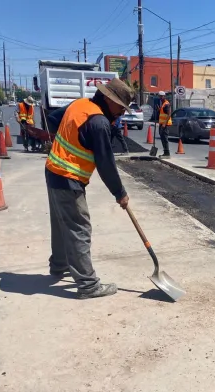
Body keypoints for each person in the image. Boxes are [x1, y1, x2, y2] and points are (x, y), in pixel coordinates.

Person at [44, 78, 133, 299]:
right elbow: (106, 164)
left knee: (60, 222)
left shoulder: (80, 104)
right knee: (79, 228)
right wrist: (119, 193)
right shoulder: (99, 122)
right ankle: (88, 285)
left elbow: (53, 119)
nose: (122, 112)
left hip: (53, 170)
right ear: (107, 99)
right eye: (120, 106)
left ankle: (59, 265)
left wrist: (67, 140)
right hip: (68, 178)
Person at [157, 90, 172, 158]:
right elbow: (163, 113)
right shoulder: (163, 104)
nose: (160, 97)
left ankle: (167, 153)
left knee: (165, 138)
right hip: (161, 124)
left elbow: (169, 114)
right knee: (162, 138)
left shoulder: (166, 104)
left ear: (164, 96)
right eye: (159, 96)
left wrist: (164, 123)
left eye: (161, 96)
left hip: (165, 125)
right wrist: (159, 110)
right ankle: (165, 152)